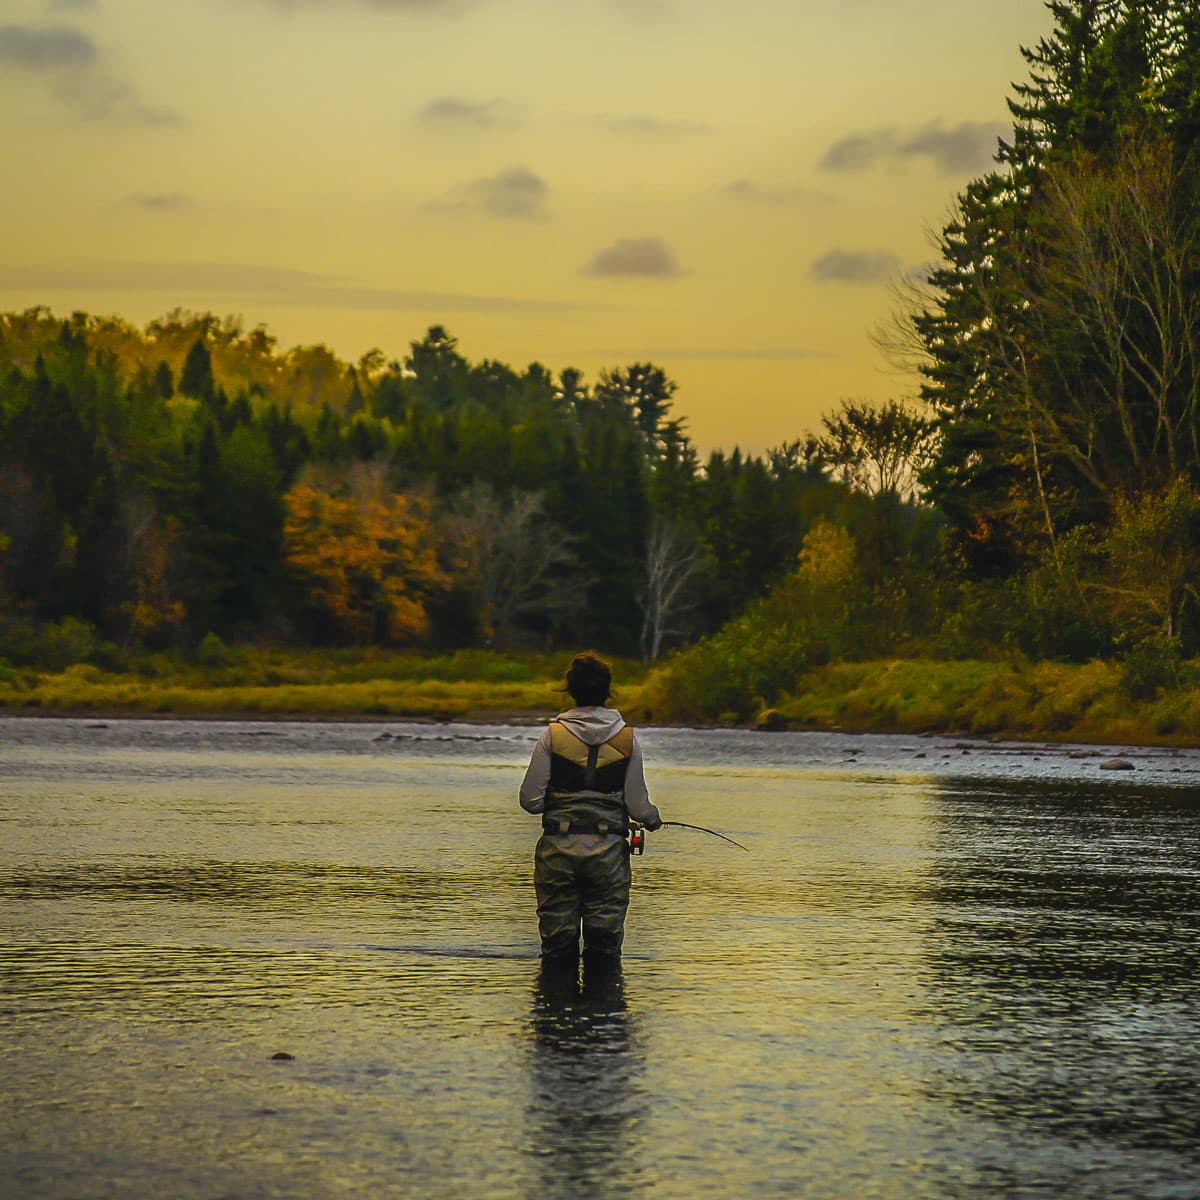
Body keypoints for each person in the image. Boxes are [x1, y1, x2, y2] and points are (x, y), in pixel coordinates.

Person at [519, 652, 661, 961]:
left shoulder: (551, 735)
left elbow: (530, 801)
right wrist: (653, 819)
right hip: (609, 855)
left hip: (557, 851)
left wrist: (562, 804)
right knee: (604, 951)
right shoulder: (628, 739)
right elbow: (638, 807)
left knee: (557, 949)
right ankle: (604, 1006)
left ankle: (556, 1004)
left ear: (570, 691)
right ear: (608, 691)